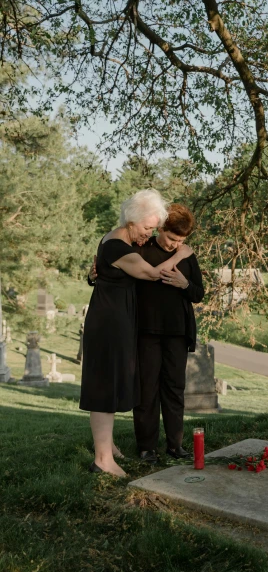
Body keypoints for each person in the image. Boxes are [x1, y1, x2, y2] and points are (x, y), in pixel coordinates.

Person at [80, 189, 193, 477]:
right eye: (147, 227)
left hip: (115, 318)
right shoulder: (118, 245)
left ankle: (108, 447)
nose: (150, 233)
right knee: (105, 386)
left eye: (153, 228)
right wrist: (181, 254)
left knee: (112, 383)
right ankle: (103, 460)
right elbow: (152, 274)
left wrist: (92, 275)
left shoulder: (117, 239)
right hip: (109, 322)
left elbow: (100, 273)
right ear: (132, 221)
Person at [133, 203, 204, 463]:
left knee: (174, 388)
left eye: (181, 241)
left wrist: (185, 284)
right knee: (146, 389)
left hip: (177, 331)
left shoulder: (187, 255)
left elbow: (198, 293)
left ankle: (175, 445)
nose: (176, 244)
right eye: (172, 238)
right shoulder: (142, 248)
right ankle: (146, 447)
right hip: (146, 331)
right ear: (160, 228)